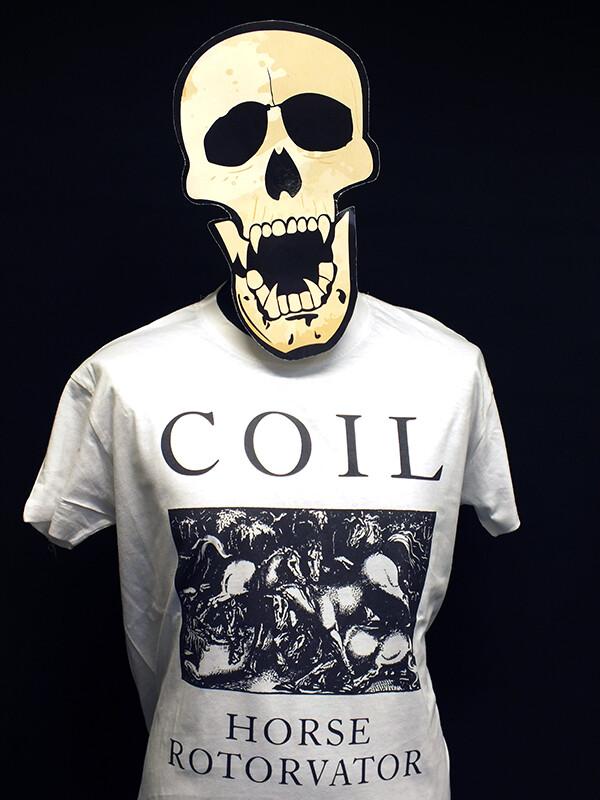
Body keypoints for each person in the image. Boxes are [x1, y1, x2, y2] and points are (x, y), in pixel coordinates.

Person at [22, 20, 520, 800]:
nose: (282, 176)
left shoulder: (450, 367)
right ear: (198, 177)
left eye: (319, 132)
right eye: (236, 144)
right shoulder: (121, 377)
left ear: (360, 160)